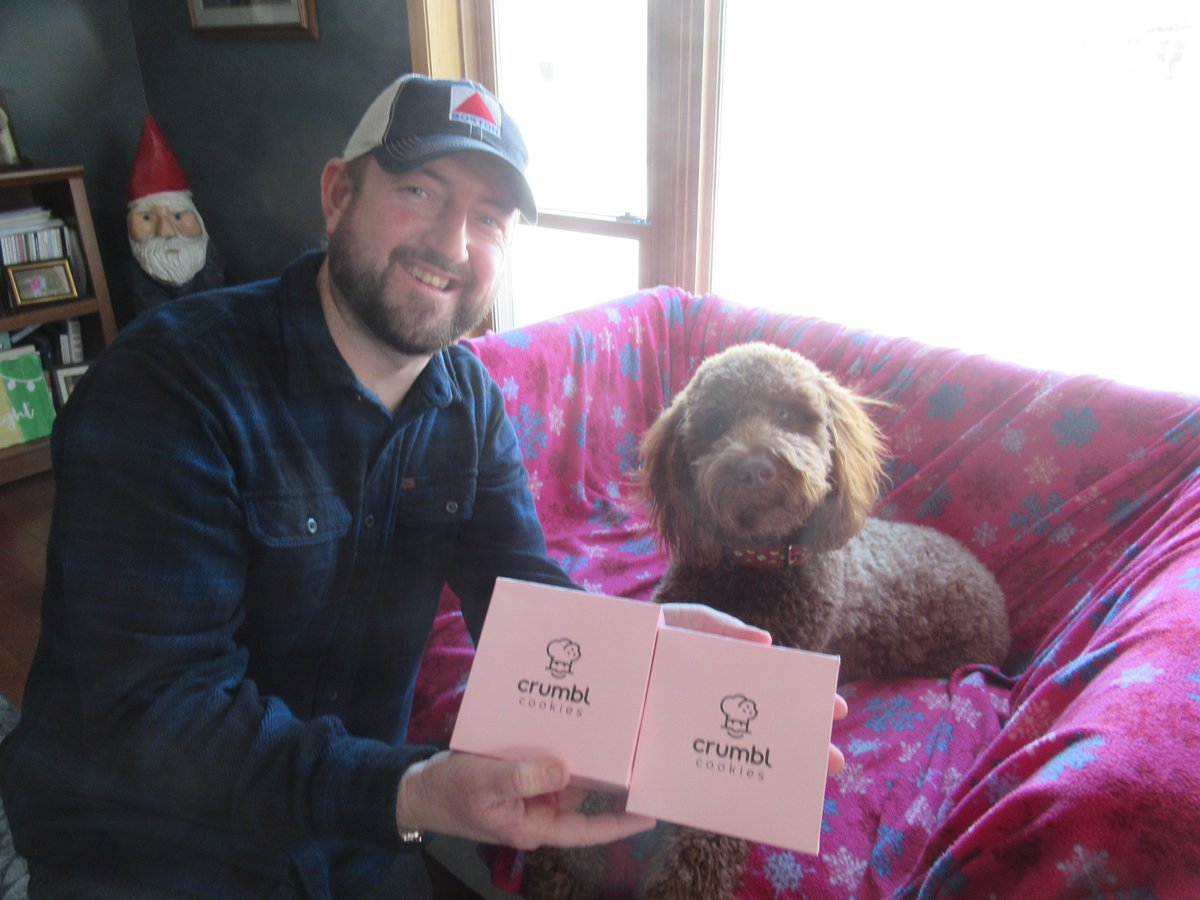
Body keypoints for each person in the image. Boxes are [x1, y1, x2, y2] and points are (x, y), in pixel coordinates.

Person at [0, 74, 845, 899]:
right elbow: (156, 713)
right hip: (151, 843)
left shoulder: (469, 403)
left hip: (354, 838)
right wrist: (415, 791)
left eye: (490, 217)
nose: (452, 243)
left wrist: (639, 654)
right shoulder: (168, 386)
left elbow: (521, 598)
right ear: (338, 195)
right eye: (420, 191)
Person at [126, 114, 225, 314]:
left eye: (178, 216)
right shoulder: (138, 275)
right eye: (147, 218)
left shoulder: (210, 261)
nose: (166, 232)